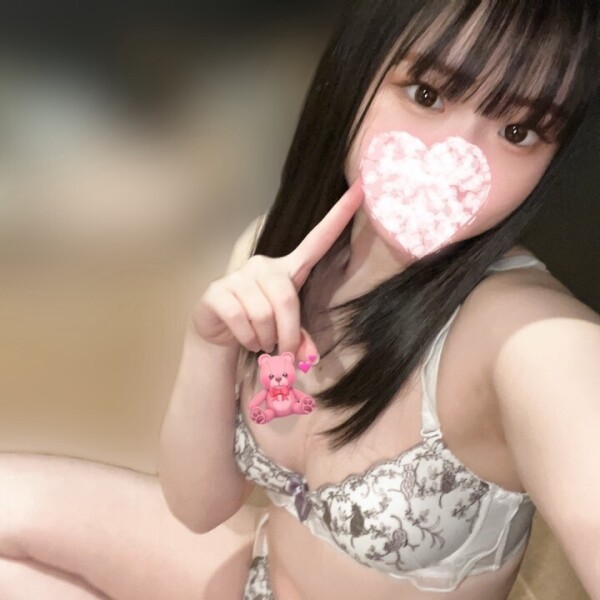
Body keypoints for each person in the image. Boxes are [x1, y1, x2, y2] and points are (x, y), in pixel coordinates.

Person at [0, 0, 599, 598]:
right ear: (359, 73)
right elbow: (200, 508)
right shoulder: (277, 250)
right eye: (427, 94)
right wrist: (208, 344)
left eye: (518, 132)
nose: (455, 158)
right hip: (254, 575)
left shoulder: (531, 338)